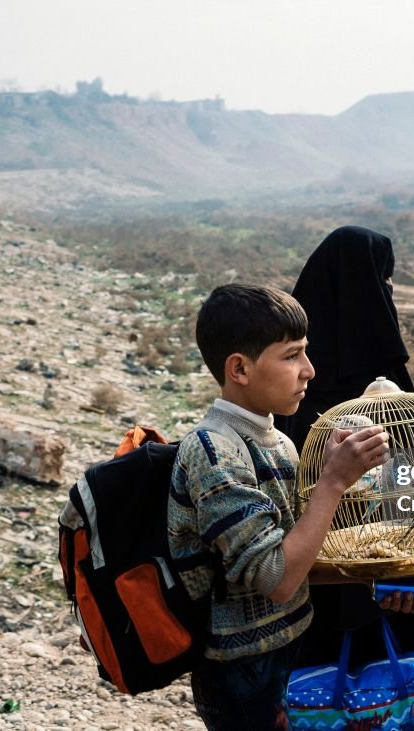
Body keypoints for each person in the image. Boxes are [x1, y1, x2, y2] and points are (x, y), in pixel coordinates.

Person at [168, 283, 390, 730]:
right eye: (292, 356)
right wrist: (331, 481)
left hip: (284, 652)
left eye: (305, 353)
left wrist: (381, 574)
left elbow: (300, 557)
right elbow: (278, 579)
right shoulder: (213, 452)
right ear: (239, 369)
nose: (309, 370)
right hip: (241, 672)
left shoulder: (278, 441)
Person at [276, 225, 414, 668]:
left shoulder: (298, 386)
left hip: (349, 594)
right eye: (382, 282)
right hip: (352, 594)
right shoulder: (302, 396)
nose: (387, 294)